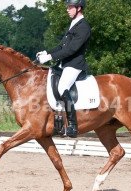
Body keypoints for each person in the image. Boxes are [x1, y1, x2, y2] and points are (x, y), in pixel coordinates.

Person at [37, 0, 91, 138]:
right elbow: (62, 46)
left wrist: (50, 57)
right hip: (64, 64)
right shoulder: (73, 24)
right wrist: (47, 53)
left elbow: (72, 49)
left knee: (62, 88)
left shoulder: (83, 26)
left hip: (74, 64)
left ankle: (73, 126)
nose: (67, 9)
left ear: (79, 8)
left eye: (70, 7)